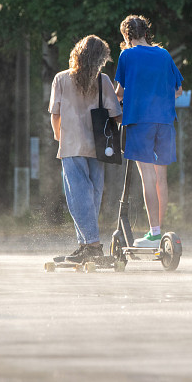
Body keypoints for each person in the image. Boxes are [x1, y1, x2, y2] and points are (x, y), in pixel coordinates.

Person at [49, 35, 122, 263]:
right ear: (100, 59)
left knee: (77, 195)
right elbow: (116, 115)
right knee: (93, 194)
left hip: (71, 144)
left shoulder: (61, 79)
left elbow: (55, 114)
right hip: (98, 145)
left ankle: (92, 245)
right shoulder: (103, 81)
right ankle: (85, 244)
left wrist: (58, 135)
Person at [114, 15, 183, 248]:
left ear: (126, 35)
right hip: (164, 121)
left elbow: (119, 93)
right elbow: (179, 89)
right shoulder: (163, 54)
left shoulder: (127, 55)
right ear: (146, 32)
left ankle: (154, 234)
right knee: (160, 177)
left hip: (140, 121)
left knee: (147, 176)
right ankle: (160, 232)